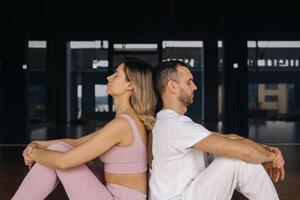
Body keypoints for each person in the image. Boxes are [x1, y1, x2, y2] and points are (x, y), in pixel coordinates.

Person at [12, 58, 157, 200]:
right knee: (59, 147)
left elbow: (63, 162)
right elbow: (76, 143)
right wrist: (38, 144)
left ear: (130, 85)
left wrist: (33, 153)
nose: (108, 77)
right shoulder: (126, 120)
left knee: (59, 153)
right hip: (113, 192)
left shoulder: (123, 125)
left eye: (116, 75)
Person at [149, 60, 285, 200]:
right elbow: (244, 151)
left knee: (234, 152)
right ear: (172, 86)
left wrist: (265, 151)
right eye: (189, 82)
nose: (195, 87)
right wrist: (273, 157)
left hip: (184, 195)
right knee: (236, 159)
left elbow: (231, 139)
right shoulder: (175, 125)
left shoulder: (168, 122)